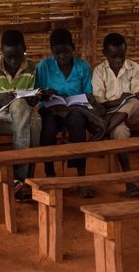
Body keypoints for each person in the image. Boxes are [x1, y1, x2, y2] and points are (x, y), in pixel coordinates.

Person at [35, 28, 102, 198]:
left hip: (75, 109)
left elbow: (89, 93)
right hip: (52, 109)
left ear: (73, 47)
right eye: (57, 53)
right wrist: (45, 93)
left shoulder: (82, 66)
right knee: (48, 127)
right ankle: (50, 173)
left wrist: (73, 98)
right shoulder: (44, 66)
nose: (62, 56)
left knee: (77, 122)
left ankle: (81, 175)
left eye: (66, 52)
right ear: (51, 52)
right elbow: (37, 93)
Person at [0, 30, 42, 202]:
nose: (13, 61)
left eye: (17, 56)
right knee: (23, 111)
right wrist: (2, 101)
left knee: (35, 120)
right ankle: (22, 180)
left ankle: (24, 180)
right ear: (2, 52)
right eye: (8, 57)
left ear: (25, 50)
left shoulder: (31, 67)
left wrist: (33, 98)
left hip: (20, 117)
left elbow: (30, 100)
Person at [92, 32, 139, 198]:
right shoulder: (99, 71)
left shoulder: (134, 67)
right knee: (120, 132)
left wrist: (129, 99)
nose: (118, 60)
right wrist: (118, 101)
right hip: (110, 113)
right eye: (114, 57)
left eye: (122, 56)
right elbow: (100, 103)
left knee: (135, 102)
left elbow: (137, 97)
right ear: (104, 54)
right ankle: (129, 182)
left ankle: (102, 131)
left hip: (130, 111)